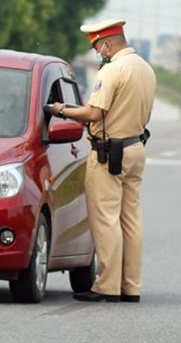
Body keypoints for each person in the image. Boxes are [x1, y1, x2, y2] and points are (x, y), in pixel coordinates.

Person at [48, 19, 156, 303]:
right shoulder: (145, 68)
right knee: (131, 219)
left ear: (107, 44)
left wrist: (60, 109)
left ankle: (107, 285)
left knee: (106, 219)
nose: (97, 53)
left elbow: (95, 113)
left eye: (97, 47)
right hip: (135, 148)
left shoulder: (112, 71)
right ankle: (130, 286)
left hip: (108, 153)